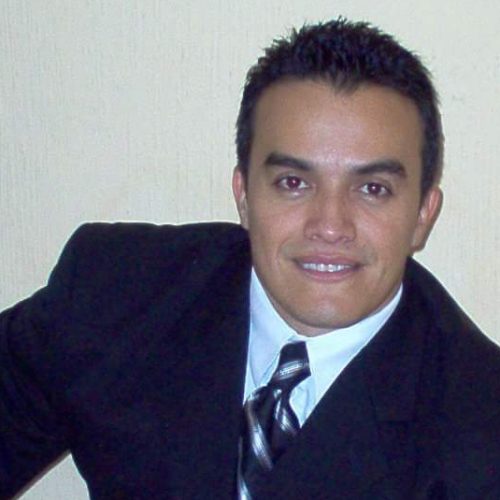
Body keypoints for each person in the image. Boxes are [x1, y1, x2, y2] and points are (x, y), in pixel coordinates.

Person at [1, 17, 499, 500]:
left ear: (422, 214)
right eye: (293, 183)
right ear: (243, 195)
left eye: (373, 189)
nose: (330, 226)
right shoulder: (114, 296)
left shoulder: (481, 425)